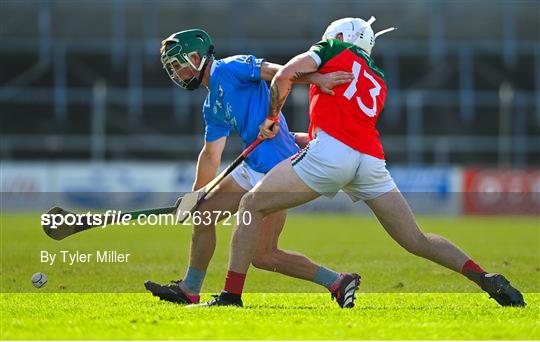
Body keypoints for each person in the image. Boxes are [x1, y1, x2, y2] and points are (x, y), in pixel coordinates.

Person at [201, 17, 526, 308]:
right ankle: (484, 277)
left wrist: (272, 117)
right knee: (417, 240)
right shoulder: (378, 78)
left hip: (331, 156)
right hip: (369, 160)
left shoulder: (330, 48)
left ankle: (230, 297)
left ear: (339, 36)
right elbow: (343, 127)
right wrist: (298, 136)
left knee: (252, 204)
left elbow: (285, 74)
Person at [144, 29, 360, 307]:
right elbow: (211, 154)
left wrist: (314, 78)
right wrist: (196, 196)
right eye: (172, 68)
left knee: (264, 256)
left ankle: (338, 281)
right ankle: (189, 289)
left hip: (279, 168)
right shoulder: (212, 105)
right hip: (252, 166)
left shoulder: (232, 67)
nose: (176, 72)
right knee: (203, 216)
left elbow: (277, 72)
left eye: (178, 64)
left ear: (196, 57)